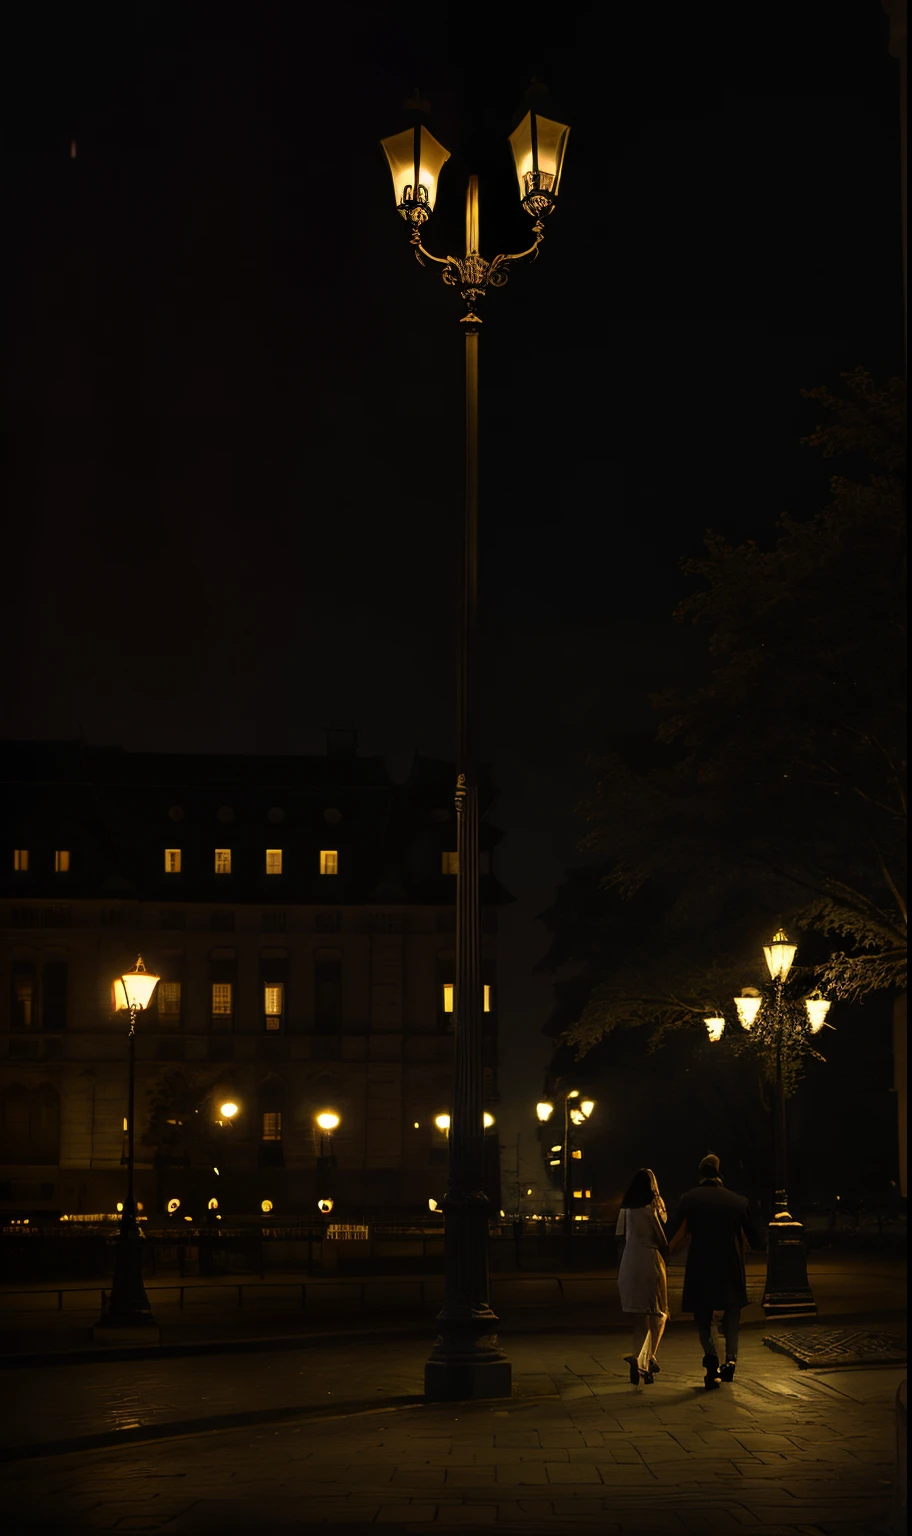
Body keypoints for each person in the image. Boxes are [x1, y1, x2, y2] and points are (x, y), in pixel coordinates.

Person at [667, 1152, 764, 1389]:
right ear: (720, 1174)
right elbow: (756, 1240)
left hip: (701, 1265)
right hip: (730, 1266)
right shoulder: (738, 1201)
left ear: (700, 1175)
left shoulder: (688, 1199)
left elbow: (669, 1233)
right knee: (732, 1315)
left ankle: (711, 1357)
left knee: (703, 1317)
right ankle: (730, 1360)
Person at [615, 1167, 669, 1385]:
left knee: (640, 1319)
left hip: (629, 1261)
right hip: (649, 1259)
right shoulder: (650, 1209)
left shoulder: (625, 1210)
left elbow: (619, 1237)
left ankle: (641, 1361)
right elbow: (662, 1238)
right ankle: (647, 1359)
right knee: (660, 1312)